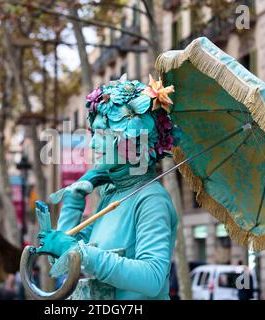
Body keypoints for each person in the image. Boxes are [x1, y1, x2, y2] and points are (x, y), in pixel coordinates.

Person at [34, 75, 179, 299]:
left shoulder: (151, 199)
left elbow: (153, 278)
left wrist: (81, 254)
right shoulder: (111, 195)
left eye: (102, 134)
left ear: (133, 142)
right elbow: (61, 261)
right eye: (94, 134)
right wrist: (73, 201)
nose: (92, 144)